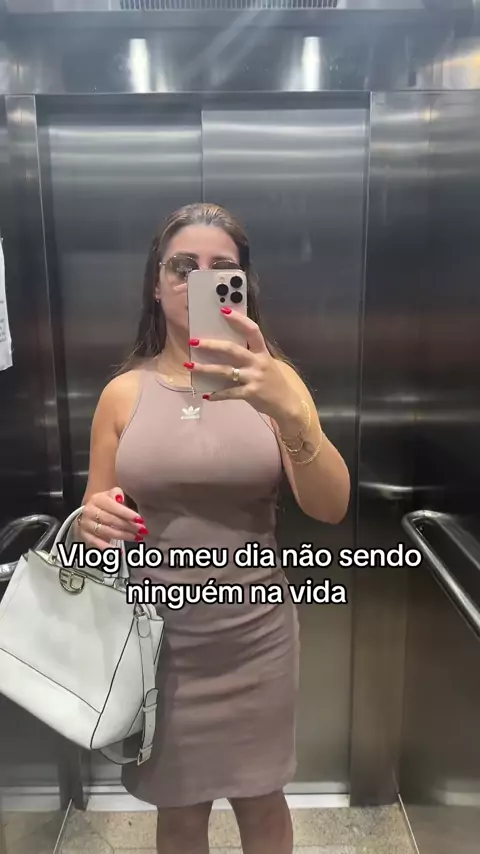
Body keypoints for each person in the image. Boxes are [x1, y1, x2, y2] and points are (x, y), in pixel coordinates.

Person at [73, 203, 350, 854]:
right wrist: (93, 521)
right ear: (156, 283)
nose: (199, 280)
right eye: (182, 267)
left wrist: (290, 414)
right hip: (158, 645)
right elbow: (95, 520)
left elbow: (331, 506)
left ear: (241, 284)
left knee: (262, 801)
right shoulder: (122, 395)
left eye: (220, 267)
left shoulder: (277, 383)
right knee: (180, 807)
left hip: (256, 637)